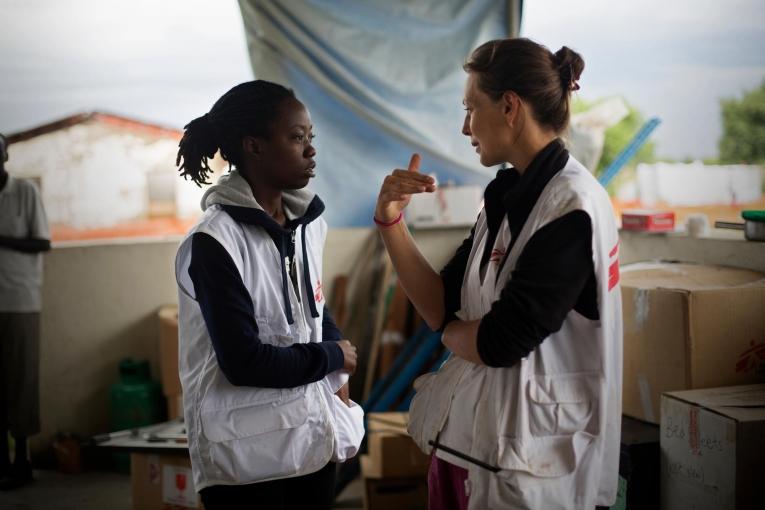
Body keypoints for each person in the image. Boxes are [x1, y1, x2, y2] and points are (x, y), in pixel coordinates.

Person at [374, 38, 622, 509]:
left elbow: (499, 341)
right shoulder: (508, 196)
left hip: (530, 471)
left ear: (509, 106)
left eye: (471, 108)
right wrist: (391, 221)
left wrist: (448, 333)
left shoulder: (571, 207)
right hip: (473, 446)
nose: (465, 125)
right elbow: (438, 303)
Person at [174, 80, 363, 510]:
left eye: (310, 138)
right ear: (254, 147)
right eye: (297, 138)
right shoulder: (215, 241)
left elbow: (311, 307)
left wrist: (338, 375)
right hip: (245, 456)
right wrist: (333, 357)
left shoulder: (309, 223)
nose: (311, 150)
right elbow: (243, 361)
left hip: (309, 438)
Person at [0, 133, 51, 490]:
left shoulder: (24, 192)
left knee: (21, 381)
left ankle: (23, 459)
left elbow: (42, 242)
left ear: (5, 155)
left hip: (20, 301)